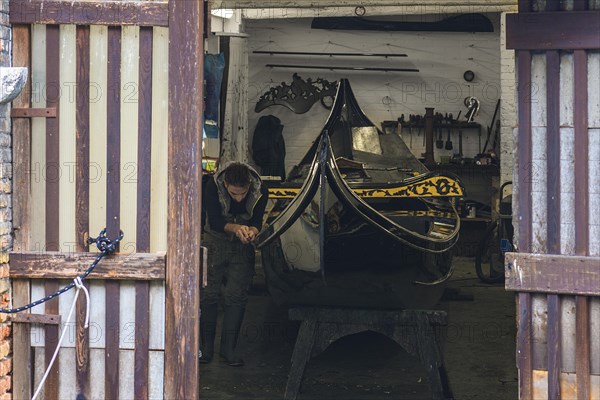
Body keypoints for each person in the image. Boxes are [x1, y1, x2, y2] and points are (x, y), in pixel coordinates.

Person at [200, 161, 269, 367]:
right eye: (233, 193)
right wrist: (236, 227)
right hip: (215, 239)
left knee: (236, 296)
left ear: (249, 185)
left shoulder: (261, 190)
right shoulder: (212, 186)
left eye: (242, 193)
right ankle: (205, 350)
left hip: (242, 243)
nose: (238, 198)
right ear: (226, 185)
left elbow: (257, 221)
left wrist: (252, 231)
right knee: (208, 293)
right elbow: (214, 221)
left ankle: (228, 351)